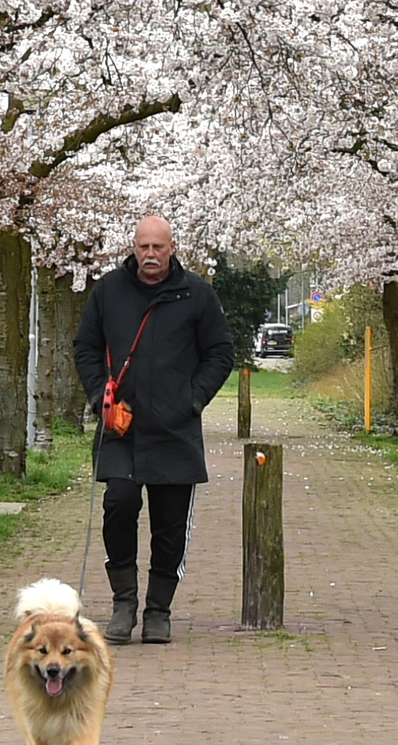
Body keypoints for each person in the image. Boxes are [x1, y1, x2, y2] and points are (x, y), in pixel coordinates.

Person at [70, 212, 236, 643]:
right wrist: (98, 396)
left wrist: (192, 400)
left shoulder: (197, 294)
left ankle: (159, 610)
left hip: (175, 431)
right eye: (143, 246)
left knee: (170, 525)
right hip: (122, 428)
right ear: (134, 247)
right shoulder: (108, 291)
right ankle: (123, 603)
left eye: (157, 247)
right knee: (118, 505)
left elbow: (220, 353)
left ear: (172, 248)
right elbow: (85, 346)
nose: (150, 254)